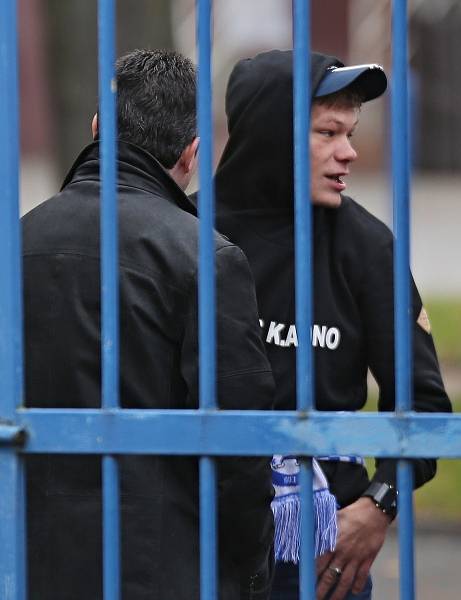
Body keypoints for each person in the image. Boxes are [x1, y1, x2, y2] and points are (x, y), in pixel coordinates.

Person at [22, 49, 276, 600]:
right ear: (192, 154)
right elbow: (240, 444)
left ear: (96, 129)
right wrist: (252, 570)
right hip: (156, 566)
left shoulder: (17, 245)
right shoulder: (205, 257)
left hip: (24, 561)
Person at [208, 49, 452, 600]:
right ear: (272, 134)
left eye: (351, 132)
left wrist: (378, 505)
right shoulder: (185, 235)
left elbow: (423, 406)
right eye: (328, 132)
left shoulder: (367, 247)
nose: (350, 152)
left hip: (322, 553)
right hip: (201, 536)